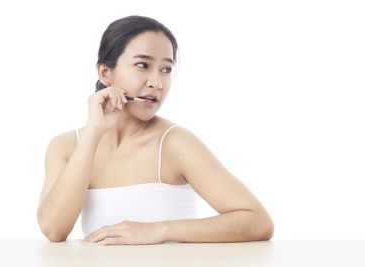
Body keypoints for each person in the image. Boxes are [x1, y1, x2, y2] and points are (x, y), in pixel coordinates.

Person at [37, 15, 274, 245]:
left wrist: (156, 230)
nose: (157, 83)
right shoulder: (66, 146)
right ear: (105, 73)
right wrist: (93, 132)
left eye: (166, 70)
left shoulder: (175, 143)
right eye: (142, 65)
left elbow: (258, 221)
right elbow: (53, 230)